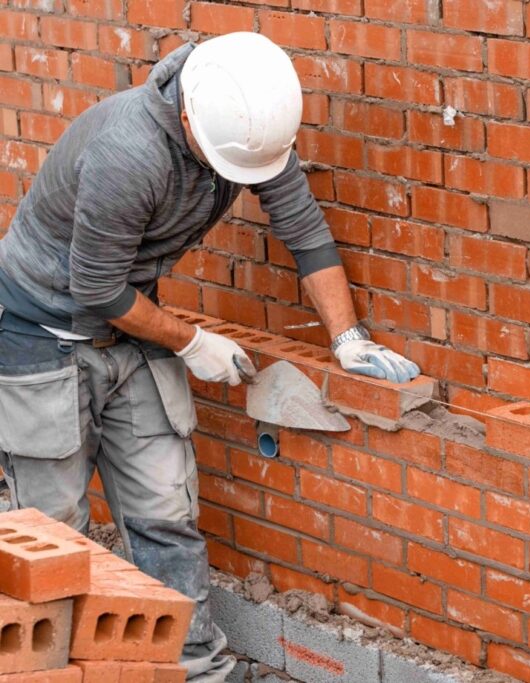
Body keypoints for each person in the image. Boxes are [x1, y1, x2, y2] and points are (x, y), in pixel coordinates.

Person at [0, 32, 419, 681]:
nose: (237, 179)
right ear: (189, 117)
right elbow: (96, 288)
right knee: (57, 535)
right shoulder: (128, 151)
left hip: (132, 325)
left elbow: (304, 231)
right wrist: (192, 342)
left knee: (165, 512)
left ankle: (193, 668)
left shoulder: (250, 125)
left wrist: (348, 339)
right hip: (42, 331)